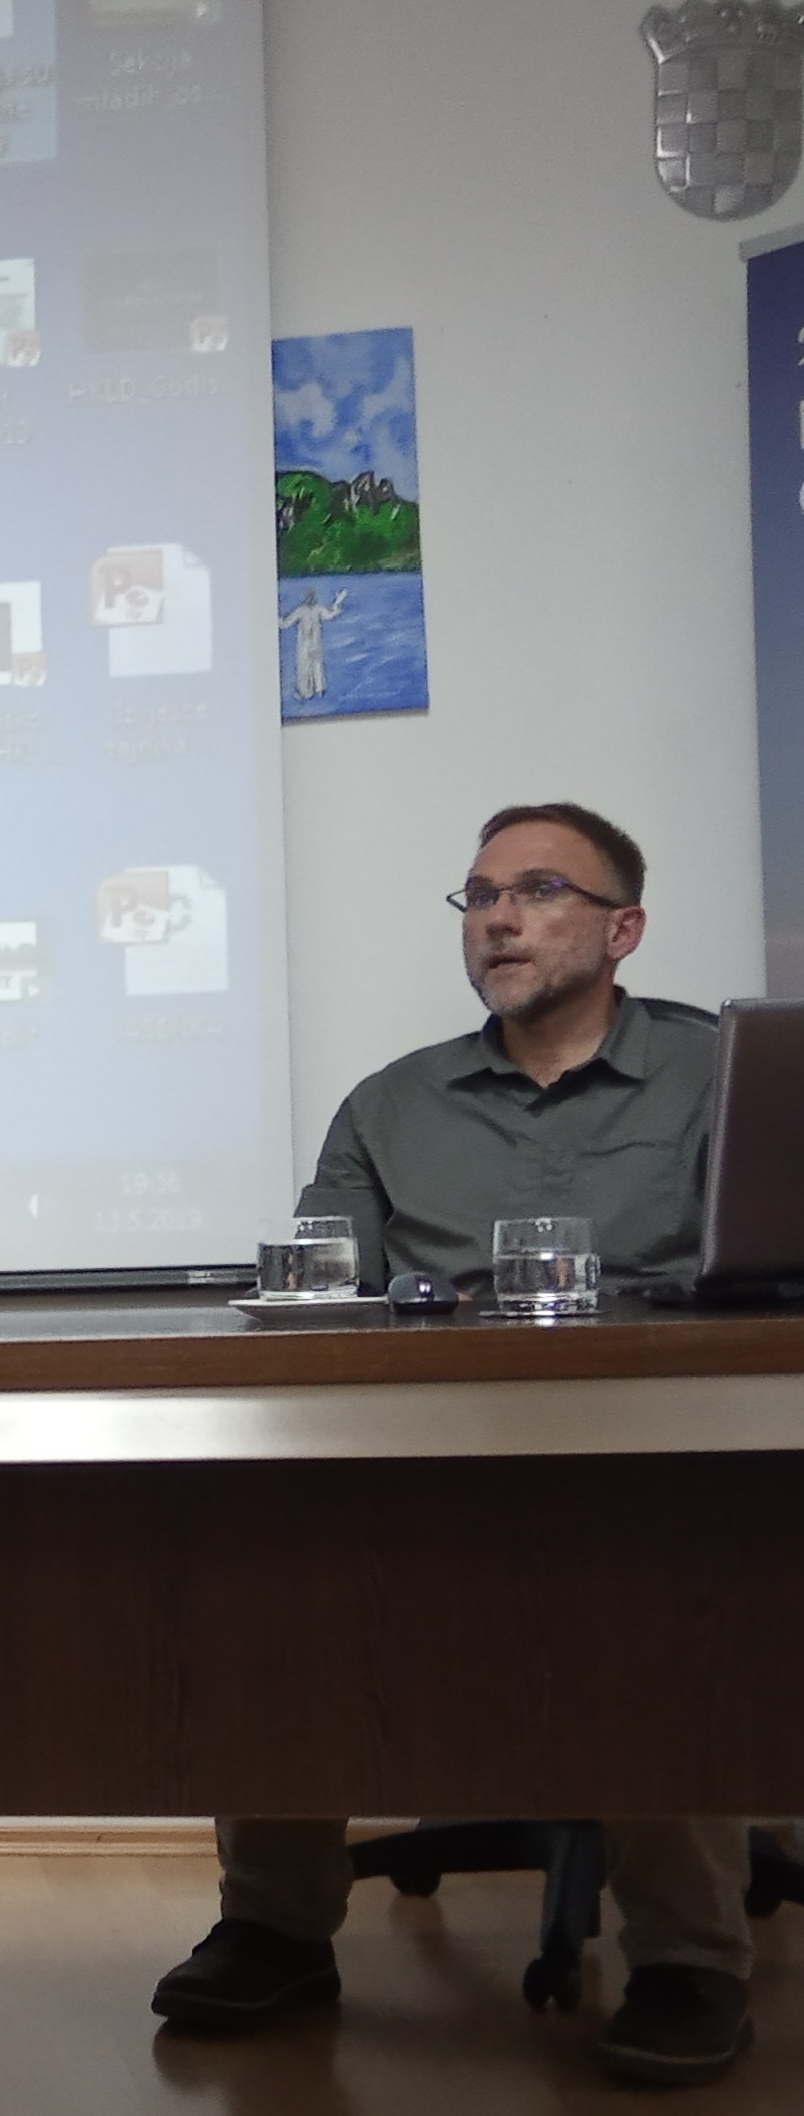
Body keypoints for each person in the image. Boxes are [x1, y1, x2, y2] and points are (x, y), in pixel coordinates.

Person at [152, 802, 753, 2085]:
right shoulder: (394, 1102)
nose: (500, 918)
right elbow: (319, 1293)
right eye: (480, 895)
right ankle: (273, 1925)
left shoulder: (727, 1079)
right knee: (273, 1581)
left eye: (539, 889)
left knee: (665, 1591)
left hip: (662, 1460)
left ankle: (691, 1960)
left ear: (624, 928)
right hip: (431, 1461)